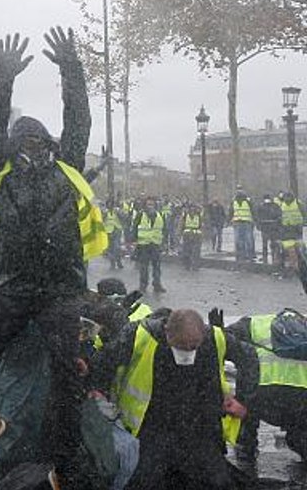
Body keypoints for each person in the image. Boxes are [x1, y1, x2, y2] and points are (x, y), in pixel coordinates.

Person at [0, 29, 102, 488]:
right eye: (24, 140)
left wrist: (70, 68)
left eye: (39, 140)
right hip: (14, 287)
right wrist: (3, 79)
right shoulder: (0, 172)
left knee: (65, 377)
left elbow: (78, 120)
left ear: (50, 143)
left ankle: (63, 459)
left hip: (60, 290)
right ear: (13, 147)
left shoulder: (69, 167)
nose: (32, 145)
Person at [91, 308, 256, 490]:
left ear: (203, 334)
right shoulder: (140, 335)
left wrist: (243, 400)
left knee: (215, 482)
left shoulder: (214, 338)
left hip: (200, 425)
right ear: (167, 331)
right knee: (144, 481)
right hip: (151, 425)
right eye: (180, 346)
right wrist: (99, 392)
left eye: (193, 347)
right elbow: (103, 362)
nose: (186, 353)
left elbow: (248, 357)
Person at [226, 311, 307, 467]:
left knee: (247, 377)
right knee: (301, 435)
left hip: (259, 396)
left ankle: (245, 451)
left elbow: (224, 344)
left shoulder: (254, 323)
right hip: (301, 401)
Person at [130, 197, 167, 294]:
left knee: (157, 266)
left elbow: (164, 229)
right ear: (145, 205)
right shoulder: (140, 214)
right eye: (148, 204)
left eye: (152, 204)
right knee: (144, 267)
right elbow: (134, 227)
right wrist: (133, 240)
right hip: (144, 245)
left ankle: (157, 285)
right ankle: (143, 286)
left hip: (156, 244)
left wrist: (165, 242)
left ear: (155, 205)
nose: (150, 206)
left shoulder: (160, 215)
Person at [255, 194, 283, 264]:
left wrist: (258, 226)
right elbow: (279, 216)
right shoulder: (275, 206)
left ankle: (266, 258)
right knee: (273, 244)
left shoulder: (261, 206)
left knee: (265, 244)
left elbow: (257, 217)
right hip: (273, 228)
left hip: (265, 228)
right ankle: (274, 258)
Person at [230, 188, 255, 262]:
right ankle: (245, 254)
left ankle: (242, 254)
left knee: (242, 240)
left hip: (242, 222)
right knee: (245, 239)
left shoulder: (235, 202)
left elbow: (230, 212)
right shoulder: (248, 202)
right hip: (243, 222)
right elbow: (253, 211)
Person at [179, 202, 205, 271]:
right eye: (191, 208)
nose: (192, 209)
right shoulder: (185, 215)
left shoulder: (199, 215)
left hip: (196, 235)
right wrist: (180, 235)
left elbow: (202, 226)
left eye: (194, 208)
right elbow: (181, 225)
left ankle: (195, 266)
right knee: (187, 251)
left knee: (196, 252)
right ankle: (187, 265)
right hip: (187, 235)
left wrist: (202, 235)